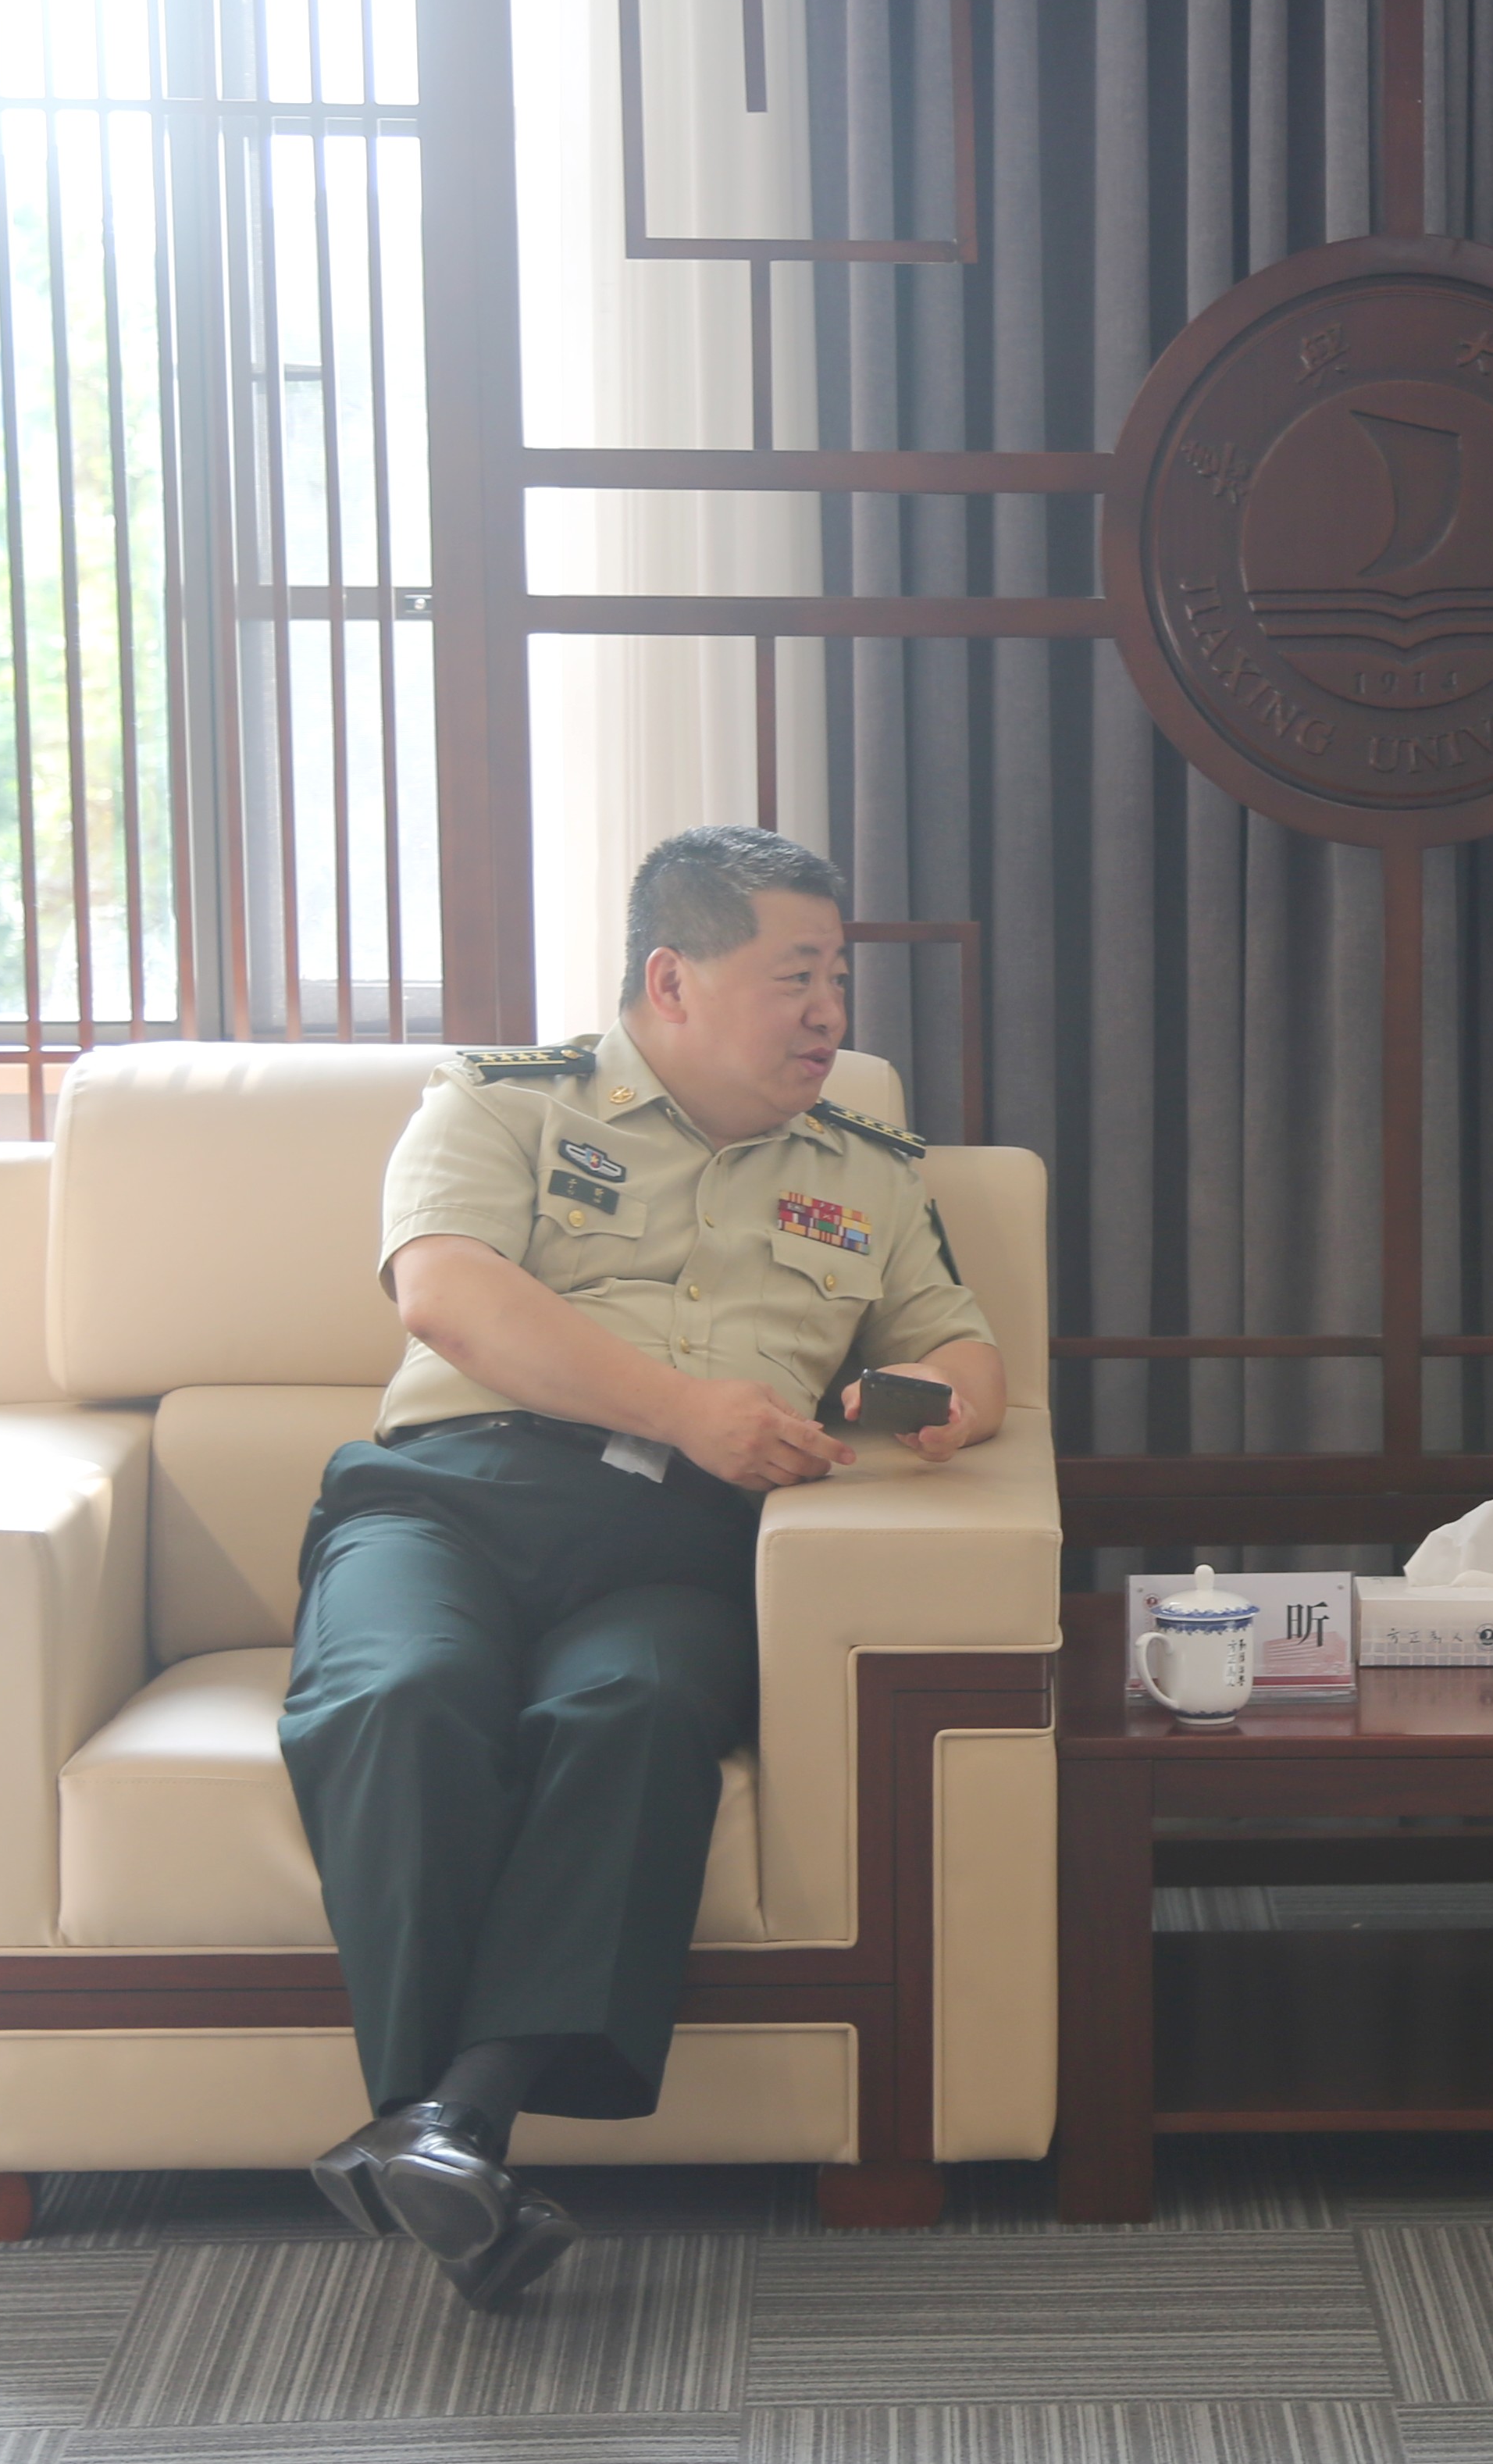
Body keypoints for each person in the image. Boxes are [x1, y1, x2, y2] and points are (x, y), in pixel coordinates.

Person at [280, 825, 1007, 2311]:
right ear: (671, 981)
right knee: (399, 1697)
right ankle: (451, 2125)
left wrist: (913, 1405)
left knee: (636, 1710)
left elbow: (960, 1351)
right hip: (447, 1501)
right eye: (795, 977)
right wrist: (686, 1408)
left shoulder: (867, 1172)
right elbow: (446, 1295)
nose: (830, 1014)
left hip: (677, 1548)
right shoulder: (501, 1105)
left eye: (838, 979)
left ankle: (445, 2131)